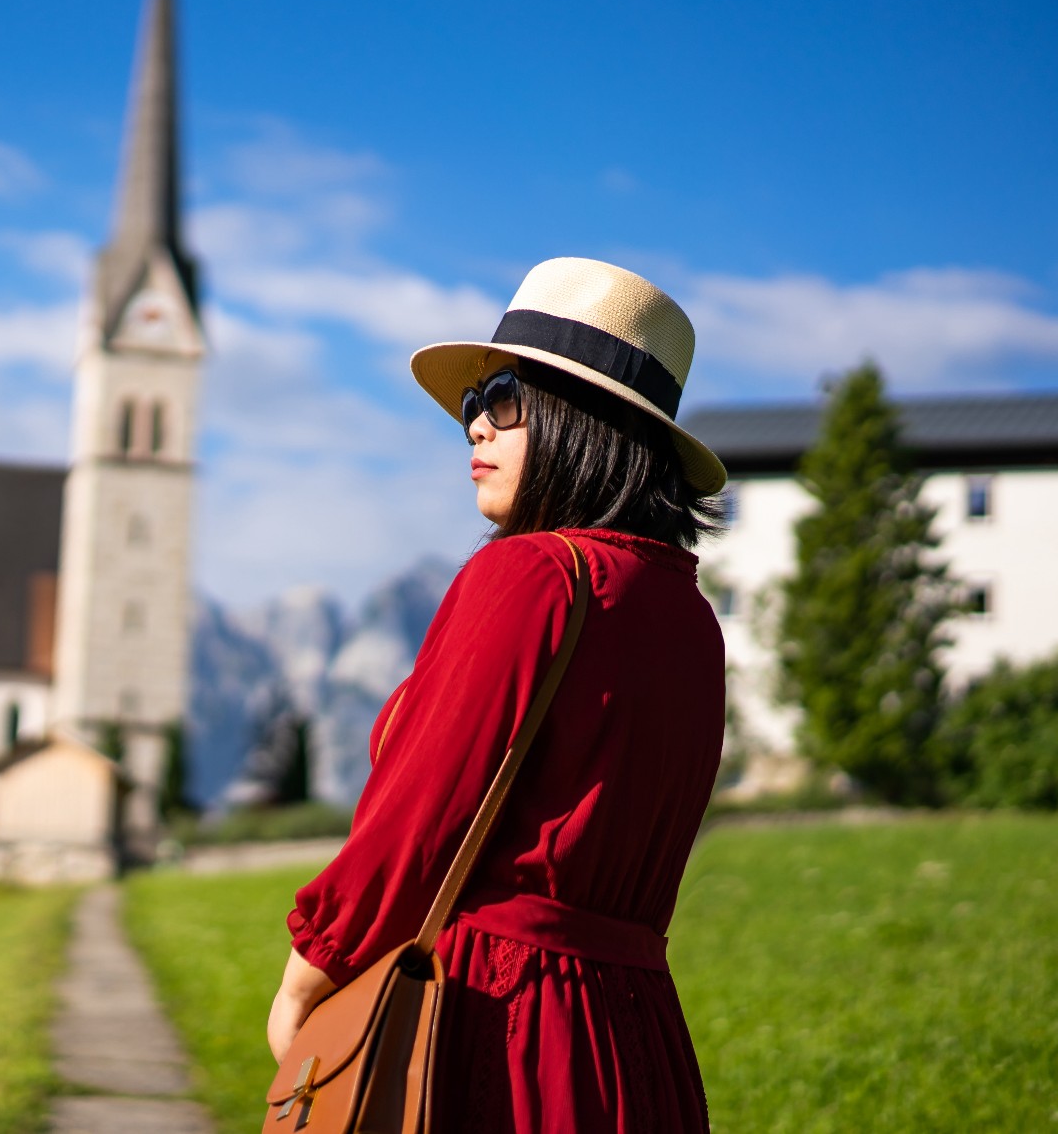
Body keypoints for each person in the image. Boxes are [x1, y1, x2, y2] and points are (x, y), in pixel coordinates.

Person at [266, 257, 729, 1132]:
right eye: (477, 401)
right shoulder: (689, 616)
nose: (475, 424)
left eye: (504, 395)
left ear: (578, 419)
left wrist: (307, 975)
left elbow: (418, 816)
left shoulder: (532, 574)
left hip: (496, 1022)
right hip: (637, 1041)